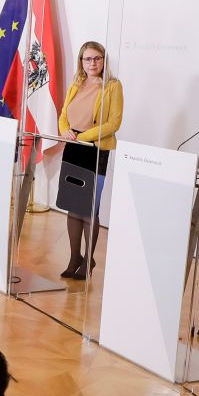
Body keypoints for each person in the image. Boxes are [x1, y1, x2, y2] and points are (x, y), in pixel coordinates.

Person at [57, 41, 123, 280]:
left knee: (89, 209)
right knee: (72, 206)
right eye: (88, 59)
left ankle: (89, 259)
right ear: (81, 62)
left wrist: (82, 137)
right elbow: (63, 115)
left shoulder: (113, 86)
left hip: (95, 150)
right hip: (72, 149)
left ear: (104, 60)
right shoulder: (76, 84)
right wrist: (65, 131)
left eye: (97, 58)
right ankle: (75, 257)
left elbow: (113, 123)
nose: (92, 63)